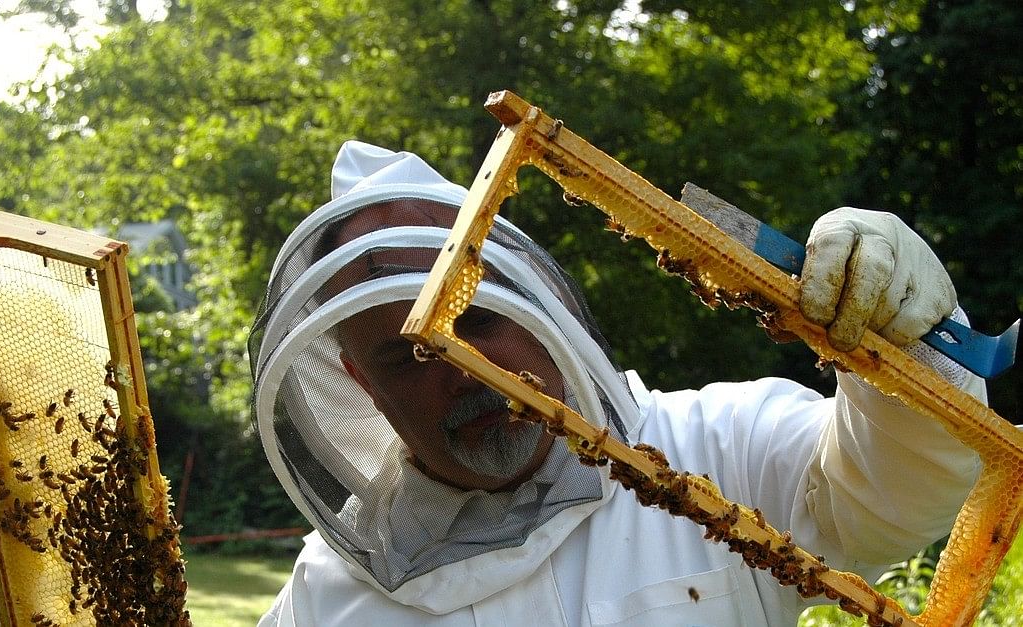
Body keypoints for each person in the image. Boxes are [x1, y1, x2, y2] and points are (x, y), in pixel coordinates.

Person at [249, 140, 984, 626]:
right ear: (361, 383)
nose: (460, 371)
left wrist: (910, 347)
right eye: (406, 357)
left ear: (538, 303)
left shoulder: (718, 447)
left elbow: (899, 490)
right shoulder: (324, 600)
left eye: (473, 320)